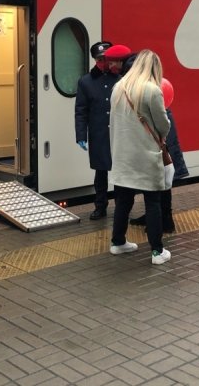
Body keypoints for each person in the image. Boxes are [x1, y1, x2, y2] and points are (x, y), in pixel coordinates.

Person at [108, 49, 172, 265]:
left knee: (123, 202)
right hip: (145, 156)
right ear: (154, 68)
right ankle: (157, 252)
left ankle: (118, 242)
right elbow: (163, 125)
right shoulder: (152, 90)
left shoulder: (118, 88)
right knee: (153, 201)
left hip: (122, 156)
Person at [75, 41, 118, 219]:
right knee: (100, 172)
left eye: (107, 58)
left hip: (119, 133)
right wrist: (81, 135)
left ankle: (122, 205)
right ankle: (100, 206)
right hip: (99, 133)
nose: (104, 61)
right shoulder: (86, 82)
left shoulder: (121, 77)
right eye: (100, 58)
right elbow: (81, 110)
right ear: (94, 60)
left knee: (120, 171)